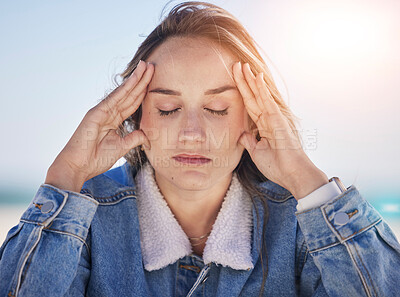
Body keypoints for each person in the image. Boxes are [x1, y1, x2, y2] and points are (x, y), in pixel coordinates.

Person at [1, 1, 399, 296]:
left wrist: (306, 179)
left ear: (254, 118)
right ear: (136, 115)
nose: (192, 133)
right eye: (169, 108)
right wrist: (65, 176)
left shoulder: (300, 222)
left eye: (216, 108)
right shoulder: (83, 219)